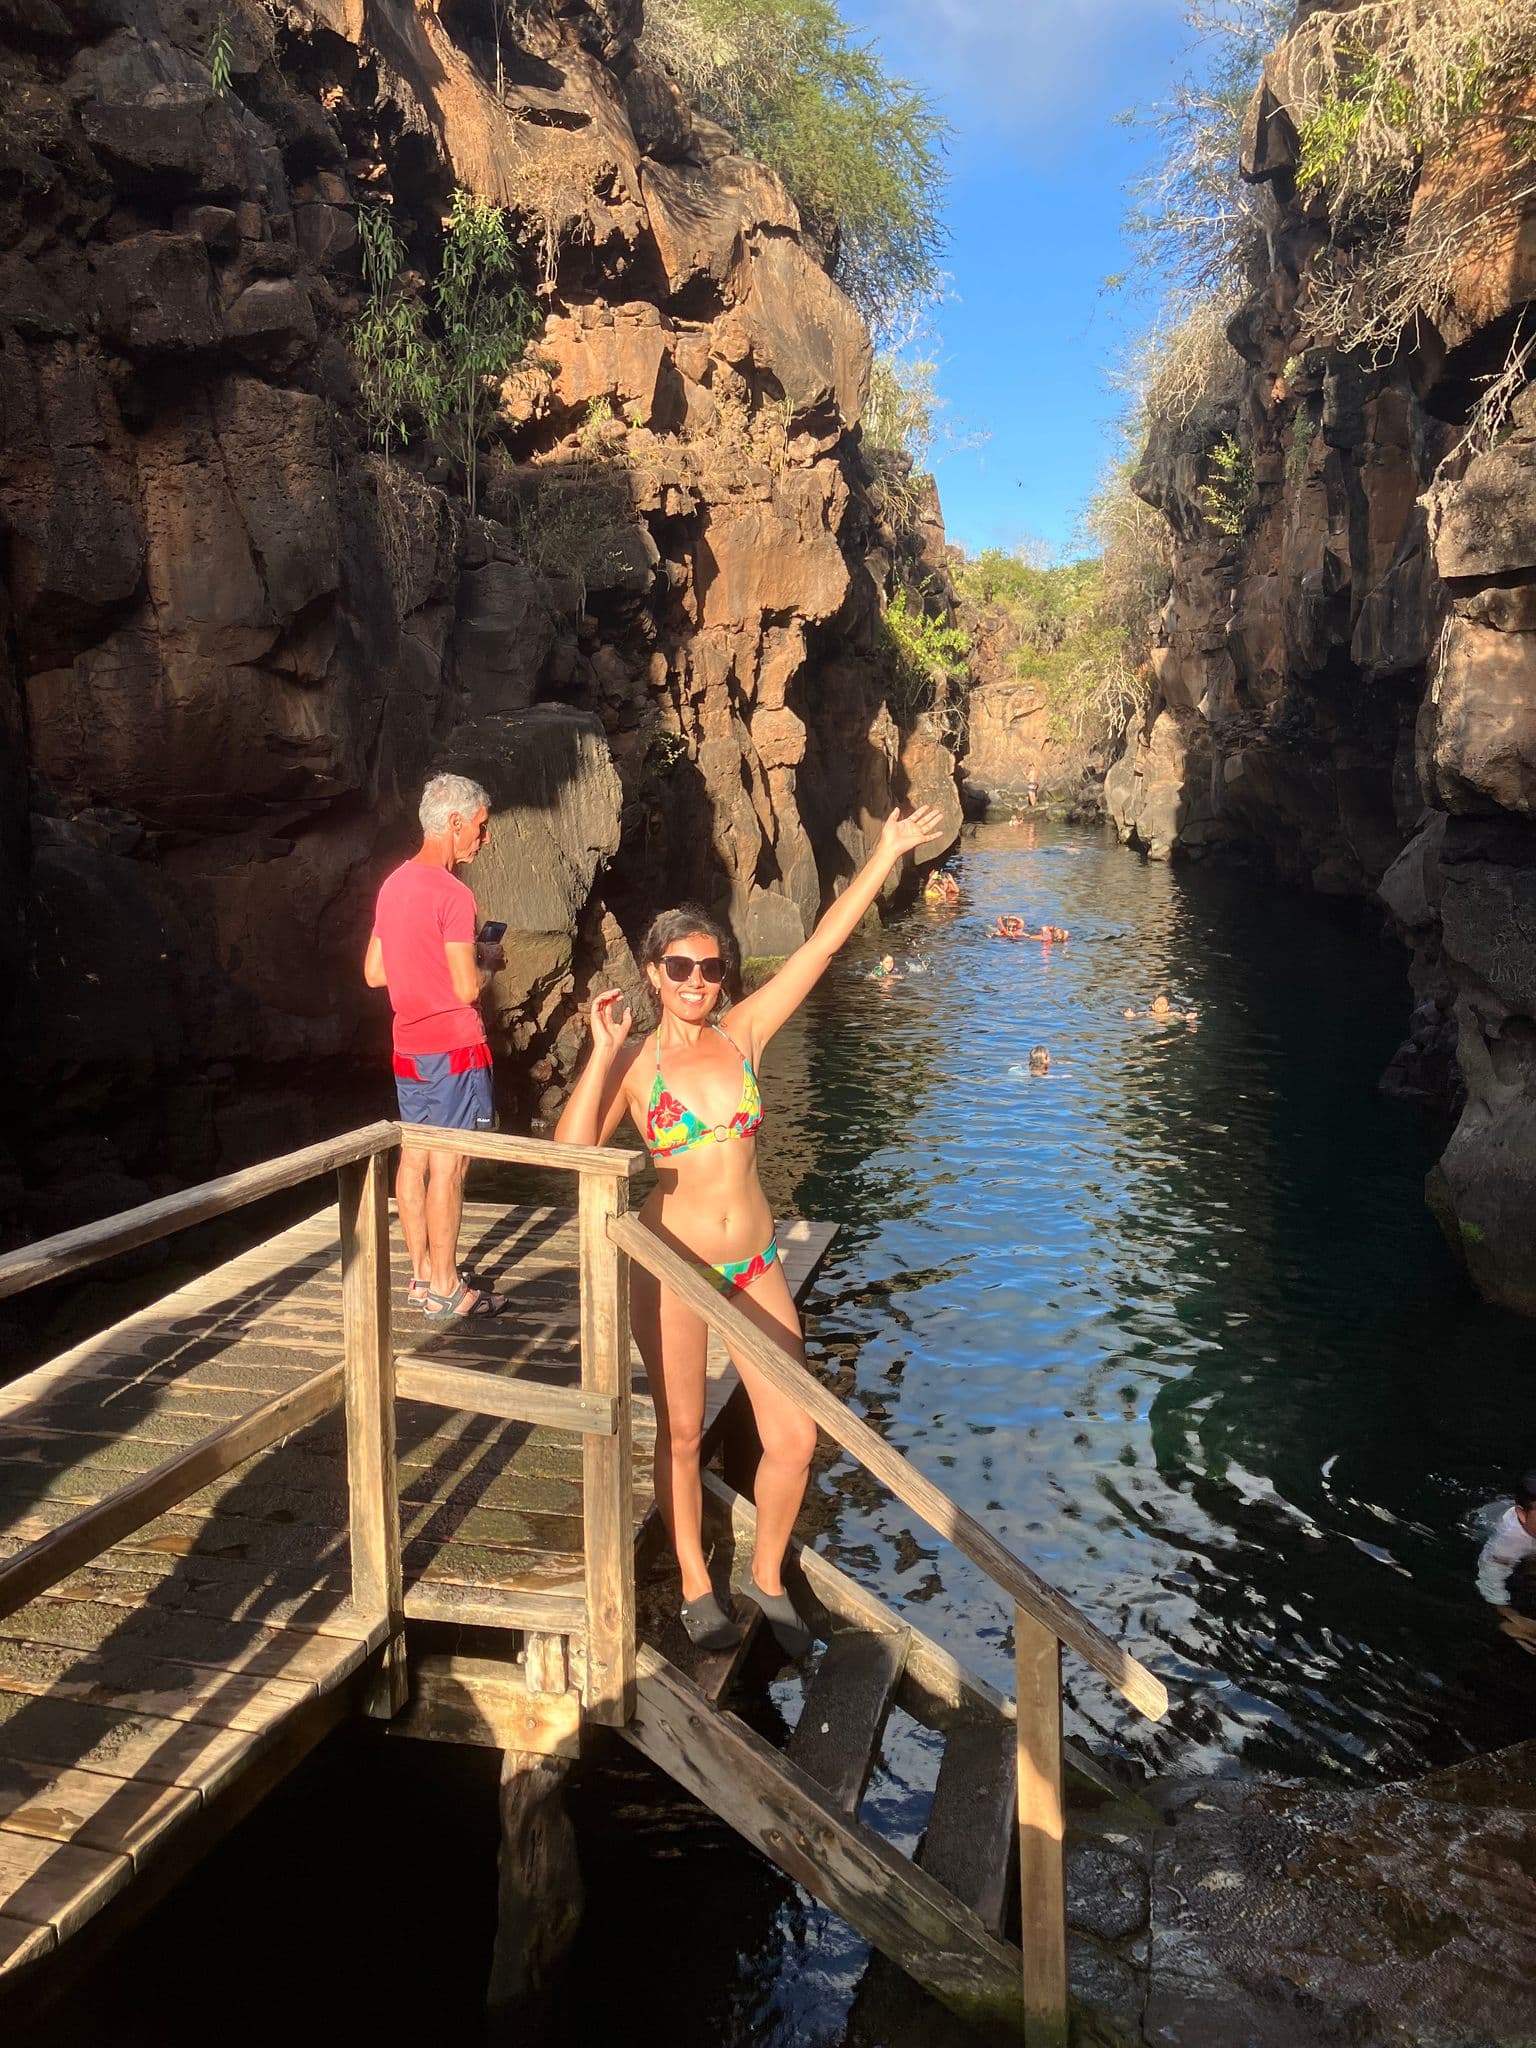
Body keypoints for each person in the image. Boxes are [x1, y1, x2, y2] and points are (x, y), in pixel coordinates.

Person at [555, 803, 945, 1656]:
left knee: (796, 1434)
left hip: (756, 1259)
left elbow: (822, 948)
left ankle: (766, 1577)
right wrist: (599, 1051)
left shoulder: (743, 1034)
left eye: (714, 967)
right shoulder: (635, 1062)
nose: (700, 981)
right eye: (683, 966)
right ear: (654, 972)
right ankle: (697, 1581)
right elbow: (571, 1151)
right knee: (685, 1432)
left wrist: (882, 854)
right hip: (673, 1268)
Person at [364, 772, 508, 1321]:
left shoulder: (393, 885)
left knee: (415, 1156)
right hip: (455, 1048)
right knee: (450, 1166)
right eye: (480, 826)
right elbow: (468, 988)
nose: (484, 838)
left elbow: (375, 972)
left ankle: (422, 1276)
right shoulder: (454, 894)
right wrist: (486, 960)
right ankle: (449, 1287)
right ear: (454, 824)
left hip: (408, 1048)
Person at [1476, 1471, 1536, 1617]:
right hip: (1490, 1524)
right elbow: (1489, 1579)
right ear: (1521, 1515)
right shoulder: (1508, 1541)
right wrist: (1508, 1613)